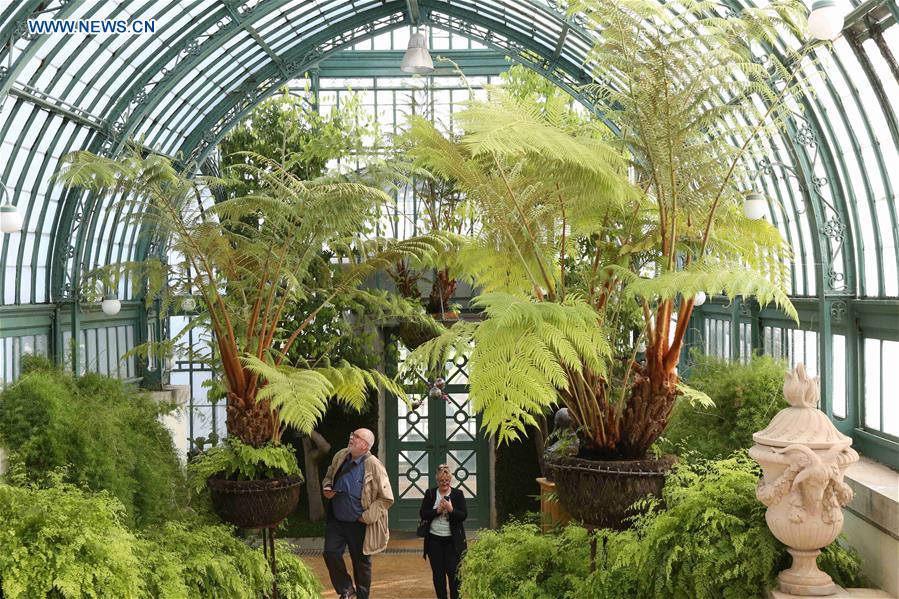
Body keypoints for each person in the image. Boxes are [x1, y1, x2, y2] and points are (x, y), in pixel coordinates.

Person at [322, 428, 394, 599]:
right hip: (337, 519)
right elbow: (329, 475)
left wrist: (366, 517)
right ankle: (346, 589)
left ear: (365, 446)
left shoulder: (374, 466)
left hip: (359, 523)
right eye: (352, 434)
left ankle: (362, 596)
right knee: (330, 553)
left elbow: (386, 498)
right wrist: (327, 486)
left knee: (361, 563)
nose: (351, 437)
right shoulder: (341, 455)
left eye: (356, 436)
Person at [419, 464, 468, 599]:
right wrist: (437, 511)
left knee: (454, 575)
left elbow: (463, 515)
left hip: (453, 542)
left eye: (447, 480)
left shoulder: (458, 494)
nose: (444, 483)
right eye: (441, 481)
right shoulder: (430, 493)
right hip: (434, 541)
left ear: (450, 480)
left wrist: (451, 509)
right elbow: (423, 514)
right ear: (437, 481)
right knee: (438, 576)